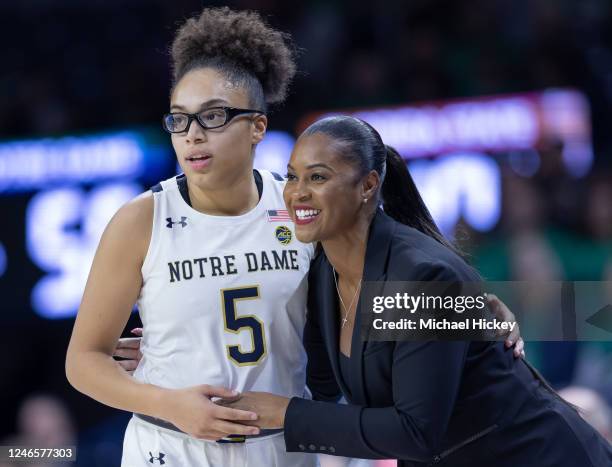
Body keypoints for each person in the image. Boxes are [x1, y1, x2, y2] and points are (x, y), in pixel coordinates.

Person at [218, 116, 612, 467]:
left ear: (368, 185)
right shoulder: (324, 270)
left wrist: (285, 415)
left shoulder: (423, 276)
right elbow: (319, 389)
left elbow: (415, 431)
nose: (296, 192)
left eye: (317, 177)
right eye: (291, 176)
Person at [65, 7, 317, 467]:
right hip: (170, 446)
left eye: (213, 117)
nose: (193, 135)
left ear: (258, 126)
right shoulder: (141, 219)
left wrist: (475, 308)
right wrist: (168, 402)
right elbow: (83, 361)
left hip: (281, 449)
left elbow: (371, 304)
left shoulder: (301, 207)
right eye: (180, 120)